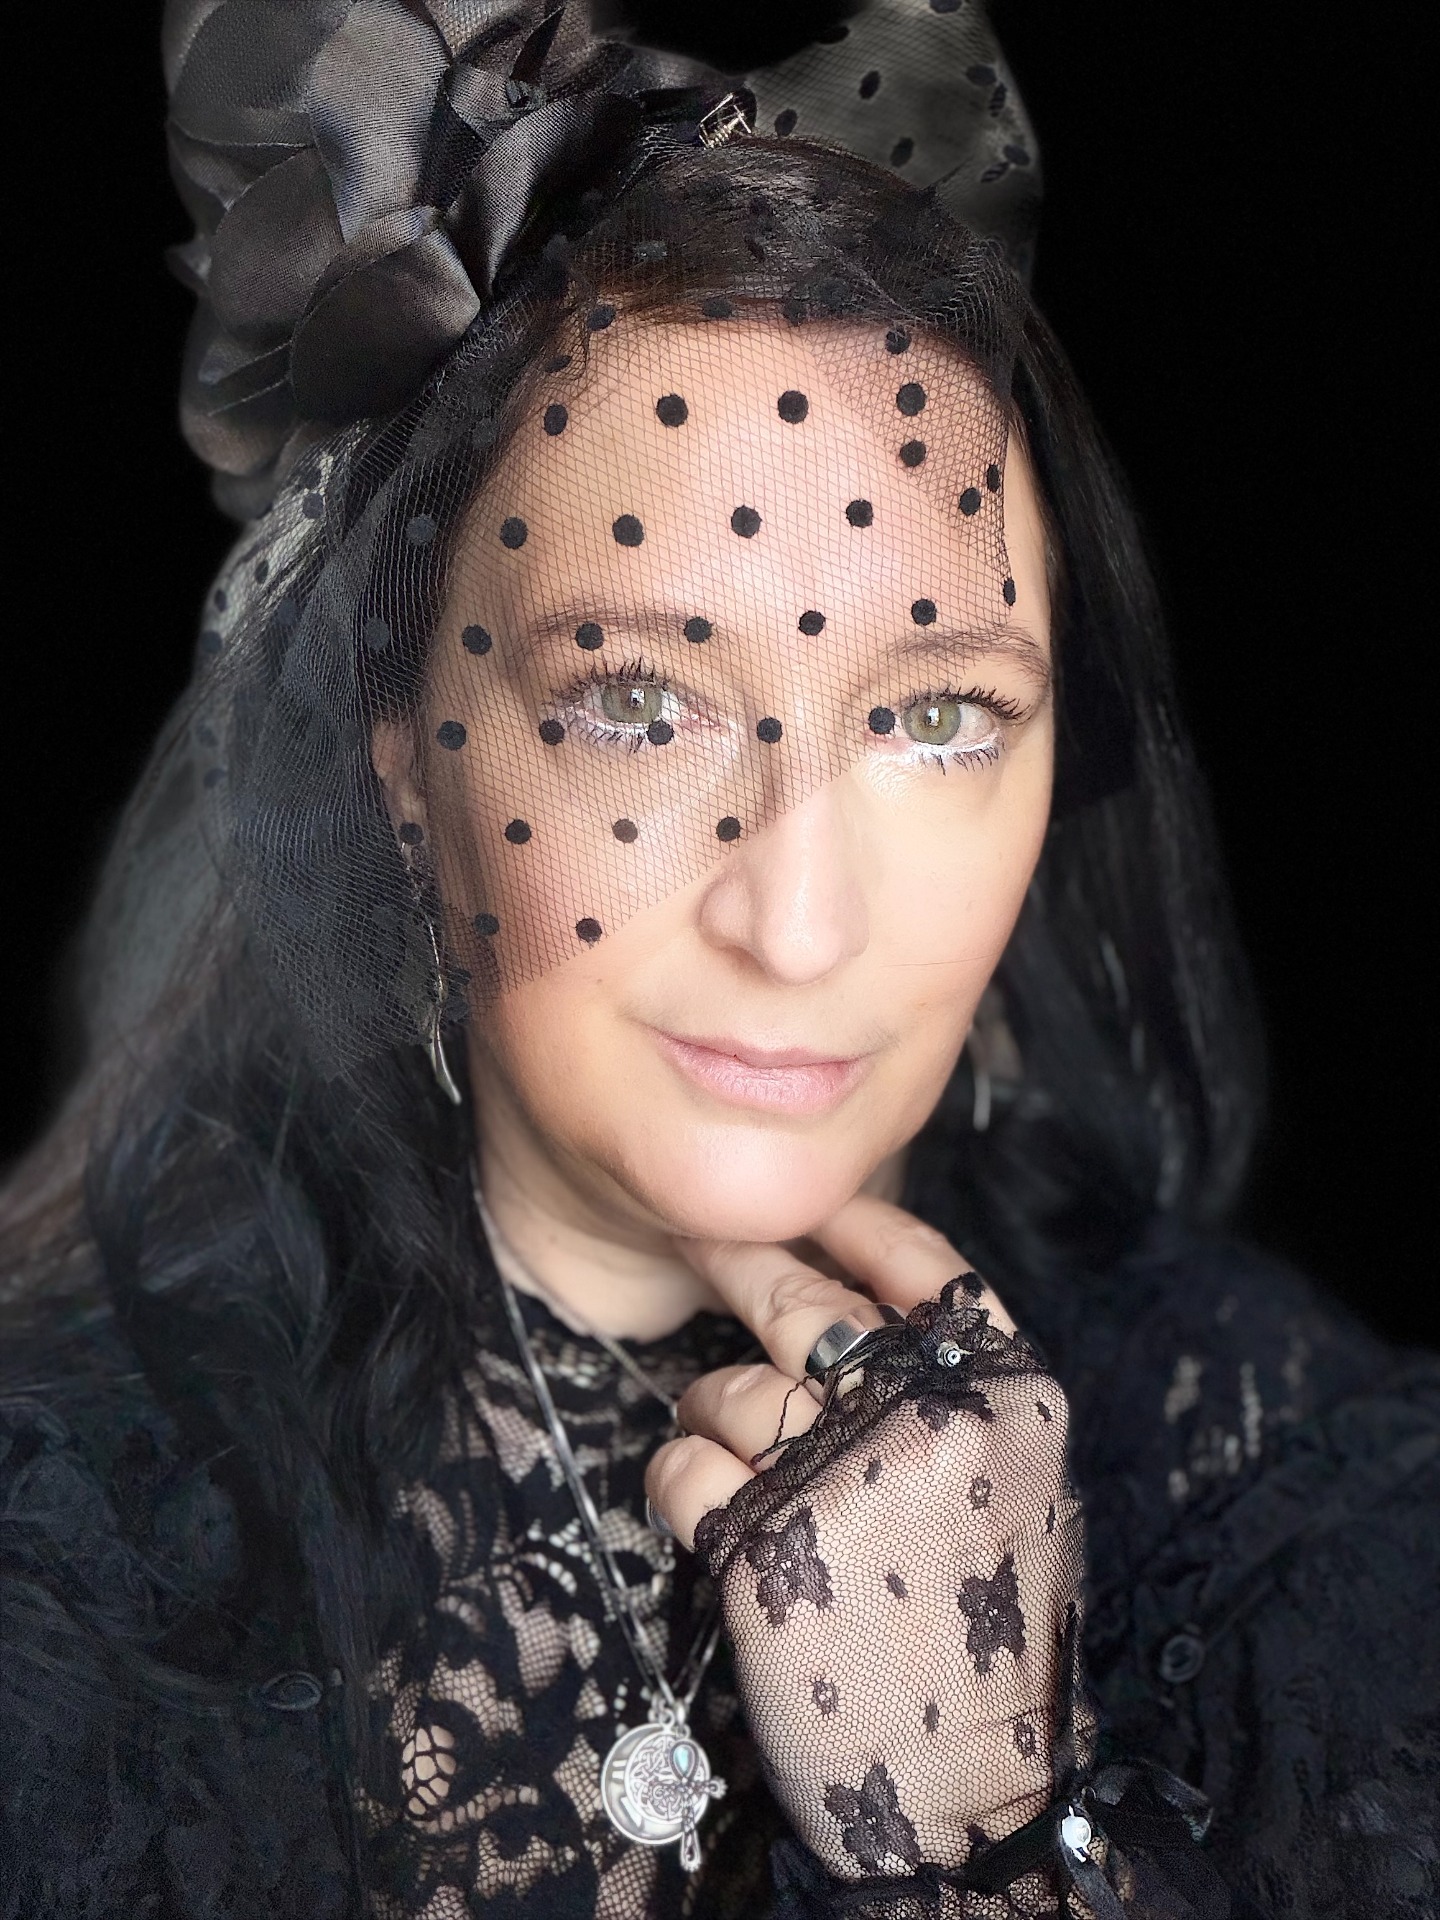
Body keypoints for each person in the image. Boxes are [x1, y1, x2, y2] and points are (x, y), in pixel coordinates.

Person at [2, 3, 1435, 1915]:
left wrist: (982, 1845)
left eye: (935, 718)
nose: (802, 921)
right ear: (408, 777)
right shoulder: (67, 1543)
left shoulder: (1299, 1504)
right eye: (636, 706)